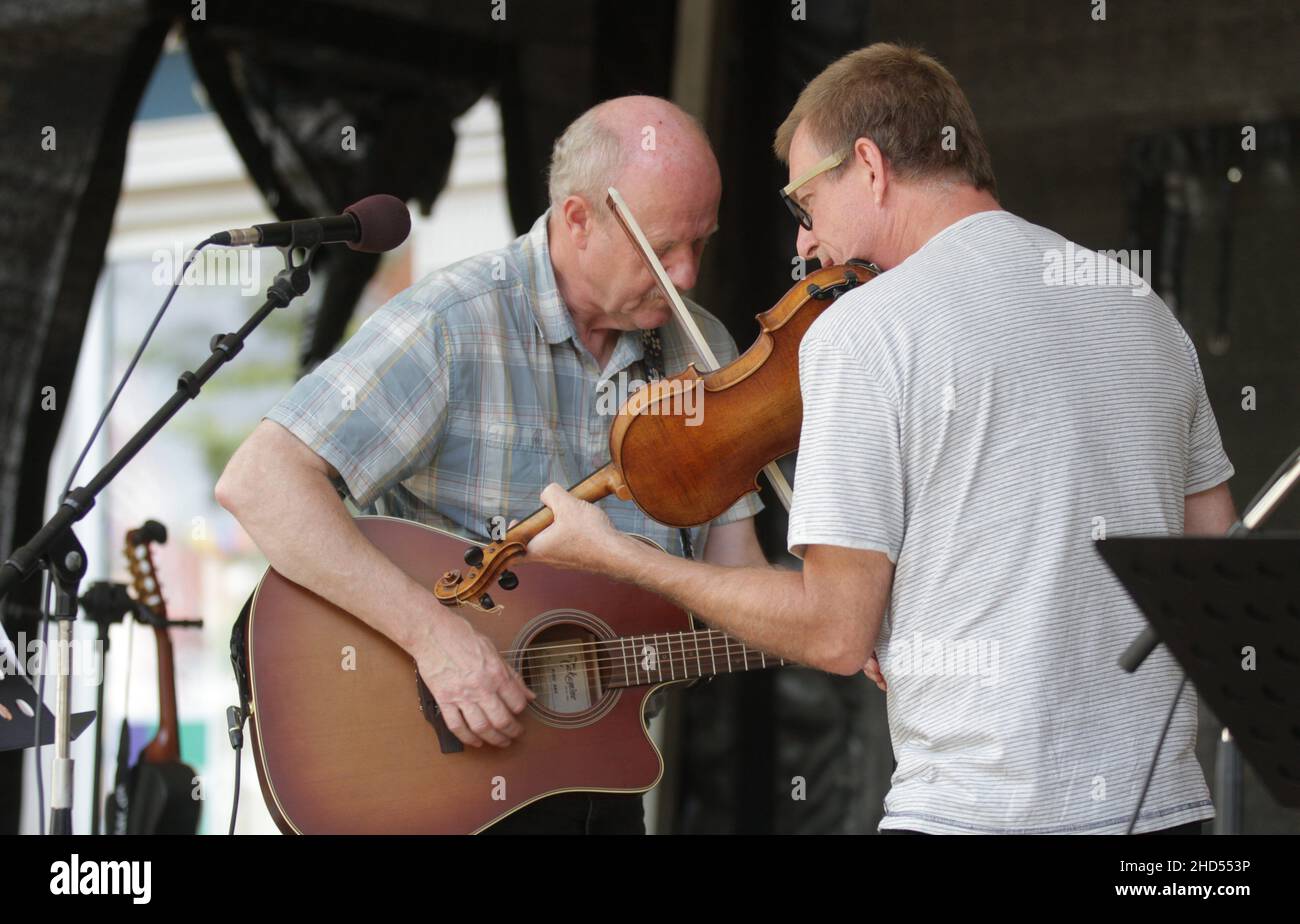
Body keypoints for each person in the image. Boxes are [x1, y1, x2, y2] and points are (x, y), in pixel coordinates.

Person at [529, 44, 1239, 835]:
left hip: (977, 816)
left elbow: (833, 635)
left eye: (805, 204)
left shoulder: (866, 331)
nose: (803, 243)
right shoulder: (1139, 306)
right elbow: (1213, 558)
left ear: (868, 165)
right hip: (1166, 815)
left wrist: (621, 556)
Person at [215, 95, 768, 834]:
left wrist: (843, 619)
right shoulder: (453, 321)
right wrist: (437, 641)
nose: (688, 274)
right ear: (578, 220)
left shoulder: (704, 353)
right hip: (439, 775)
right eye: (662, 250)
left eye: (702, 242)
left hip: (595, 773)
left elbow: (739, 580)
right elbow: (260, 481)